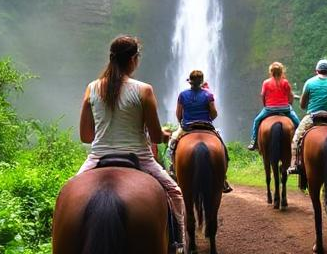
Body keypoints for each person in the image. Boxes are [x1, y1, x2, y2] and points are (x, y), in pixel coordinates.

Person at [78, 35, 185, 250]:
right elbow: (155, 137)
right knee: (175, 193)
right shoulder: (144, 90)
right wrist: (165, 134)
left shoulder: (92, 88)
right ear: (133, 59)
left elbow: (86, 137)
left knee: (66, 195)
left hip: (98, 157)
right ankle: (178, 244)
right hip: (139, 158)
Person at [167, 70, 233, 193]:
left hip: (187, 127)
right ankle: (223, 178)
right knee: (223, 148)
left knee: (172, 144)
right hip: (206, 126)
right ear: (201, 82)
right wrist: (208, 119)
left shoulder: (182, 95)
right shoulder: (208, 95)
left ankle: (172, 169)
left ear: (190, 82)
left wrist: (181, 121)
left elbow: (178, 113)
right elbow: (214, 113)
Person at [247, 62, 300, 151]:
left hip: (269, 109)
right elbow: (290, 95)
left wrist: (265, 105)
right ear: (282, 71)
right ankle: (301, 141)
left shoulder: (266, 82)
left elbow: (263, 96)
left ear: (271, 72)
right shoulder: (285, 82)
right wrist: (289, 104)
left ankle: (253, 141)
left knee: (256, 121)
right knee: (298, 123)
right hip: (285, 108)